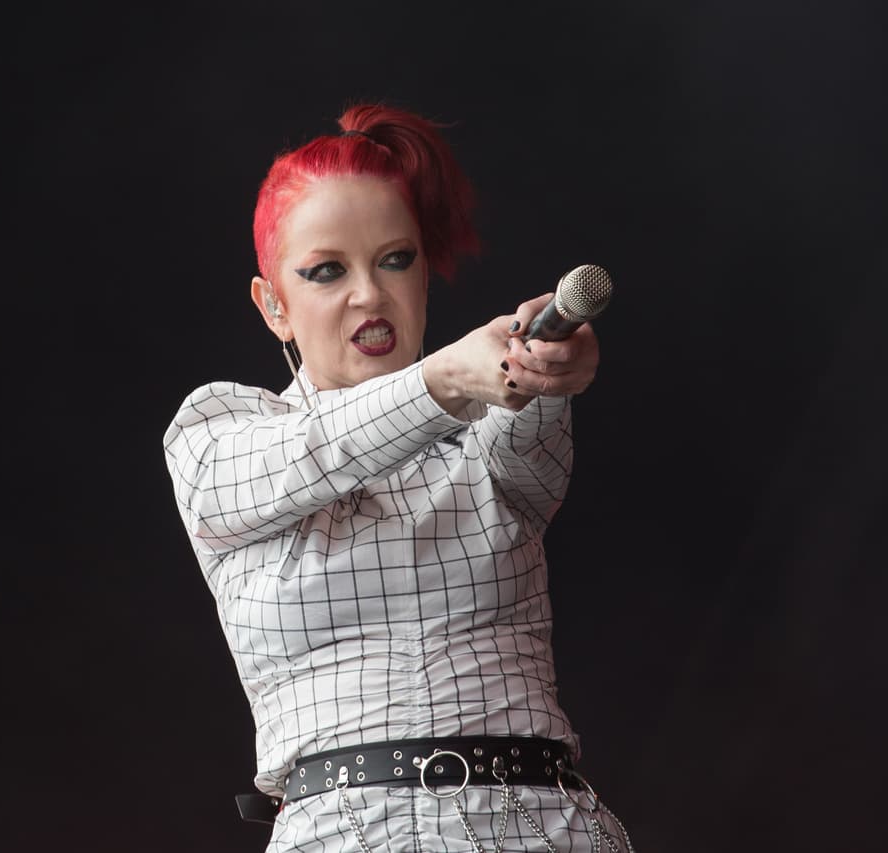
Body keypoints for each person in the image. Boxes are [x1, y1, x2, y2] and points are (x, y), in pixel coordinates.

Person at [162, 102, 632, 852]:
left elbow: (531, 450)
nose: (369, 295)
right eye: (327, 271)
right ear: (273, 304)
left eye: (396, 259)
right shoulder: (216, 432)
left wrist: (548, 370)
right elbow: (312, 454)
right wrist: (443, 379)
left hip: (540, 830)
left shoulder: (485, 426)